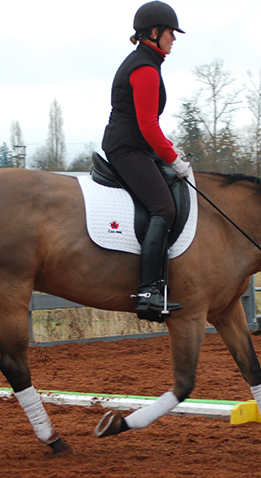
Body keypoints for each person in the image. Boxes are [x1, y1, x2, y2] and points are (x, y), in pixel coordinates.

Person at [102, 1, 191, 321]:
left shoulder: (147, 62)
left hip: (136, 146)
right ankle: (148, 290)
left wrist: (169, 149)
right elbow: (148, 126)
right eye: (171, 32)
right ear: (154, 33)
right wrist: (173, 157)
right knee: (163, 207)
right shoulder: (144, 68)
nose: (174, 39)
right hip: (128, 149)